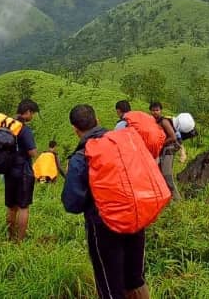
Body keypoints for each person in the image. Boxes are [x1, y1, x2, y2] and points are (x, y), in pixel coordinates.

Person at [62, 104, 150, 299]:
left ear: (75, 129)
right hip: (135, 218)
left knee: (110, 287)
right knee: (136, 280)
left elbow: (72, 203)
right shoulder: (123, 142)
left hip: (103, 227)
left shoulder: (80, 157)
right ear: (98, 120)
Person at [5, 98, 39, 241]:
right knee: (23, 207)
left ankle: (10, 236)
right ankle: (20, 240)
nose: (33, 116)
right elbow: (32, 152)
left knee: (11, 206)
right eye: (33, 113)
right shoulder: (24, 130)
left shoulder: (8, 127)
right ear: (27, 112)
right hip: (23, 171)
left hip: (9, 170)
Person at [150, 101, 185, 201]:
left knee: (167, 174)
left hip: (168, 149)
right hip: (161, 150)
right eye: (153, 110)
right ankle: (165, 197)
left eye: (157, 110)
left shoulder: (164, 121)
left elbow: (173, 137)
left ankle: (177, 199)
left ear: (161, 111)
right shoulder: (153, 122)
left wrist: (161, 144)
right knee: (159, 174)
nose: (155, 112)